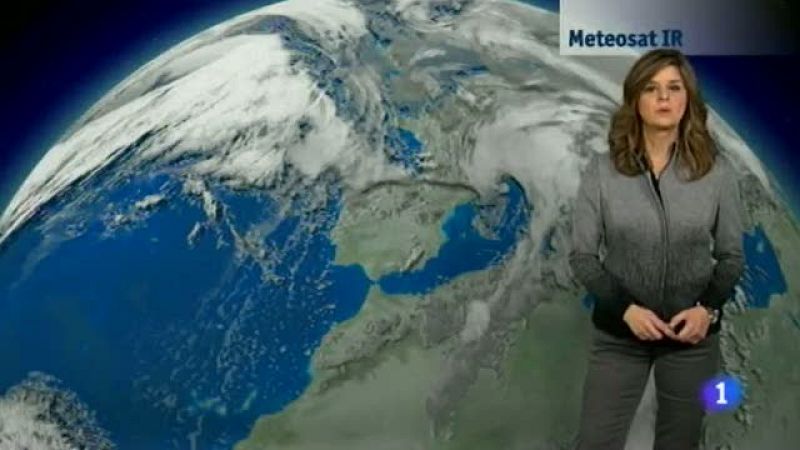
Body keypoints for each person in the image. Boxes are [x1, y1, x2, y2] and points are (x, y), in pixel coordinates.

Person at [568, 48, 746, 450]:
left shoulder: (717, 172)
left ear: (688, 98)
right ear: (635, 100)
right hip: (619, 335)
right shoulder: (602, 171)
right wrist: (626, 309)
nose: (663, 98)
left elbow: (731, 257)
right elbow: (582, 257)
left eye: (674, 88)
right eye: (651, 88)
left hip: (691, 339)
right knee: (595, 442)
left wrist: (707, 310)